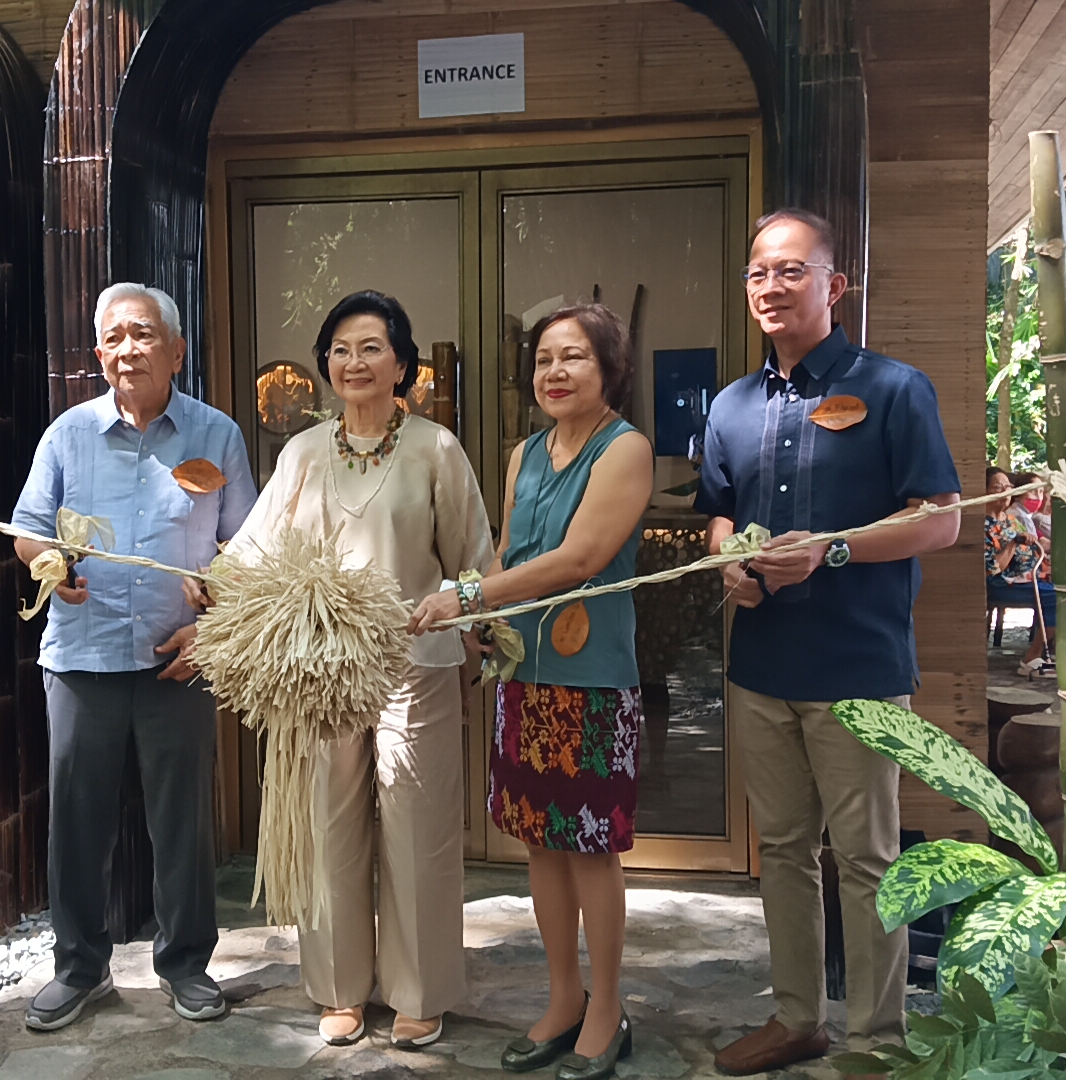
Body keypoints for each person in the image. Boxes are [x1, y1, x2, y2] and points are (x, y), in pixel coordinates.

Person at [696, 209, 962, 1078]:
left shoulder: (894, 389)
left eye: (791, 271)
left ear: (834, 285)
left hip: (857, 667)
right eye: (758, 274)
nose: (771, 287)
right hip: (762, 664)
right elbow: (720, 513)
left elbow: (942, 519)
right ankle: (797, 1018)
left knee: (867, 859)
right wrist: (729, 562)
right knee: (782, 851)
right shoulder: (731, 405)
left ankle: (875, 1043)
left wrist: (834, 549)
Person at [219, 291, 496, 1050]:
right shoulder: (303, 453)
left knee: (416, 827)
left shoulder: (437, 448)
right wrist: (209, 591)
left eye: (371, 347)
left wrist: (481, 628)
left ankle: (417, 991)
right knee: (329, 823)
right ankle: (340, 987)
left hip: (416, 659)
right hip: (321, 666)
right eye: (340, 348)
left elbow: (472, 557)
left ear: (402, 363)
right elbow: (255, 546)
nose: (354, 362)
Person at [410, 302, 653, 1080]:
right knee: (540, 846)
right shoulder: (525, 454)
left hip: (593, 681)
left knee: (591, 851)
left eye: (574, 356)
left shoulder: (627, 449)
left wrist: (469, 596)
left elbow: (581, 557)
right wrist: (485, 617)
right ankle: (563, 998)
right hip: (527, 674)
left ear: (609, 368)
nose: (555, 371)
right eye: (545, 358)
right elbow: (517, 550)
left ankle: (609, 1009)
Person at [10, 283, 255, 1031]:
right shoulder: (67, 435)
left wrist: (213, 620)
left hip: (178, 661)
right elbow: (24, 528)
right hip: (81, 661)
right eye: (113, 338)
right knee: (78, 823)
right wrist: (51, 562)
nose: (127, 350)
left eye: (143, 335)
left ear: (176, 350)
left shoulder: (216, 436)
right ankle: (80, 968)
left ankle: (185, 965)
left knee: (180, 823)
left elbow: (247, 548)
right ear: (98, 353)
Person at [984, 468, 1056, 677]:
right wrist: (1013, 544)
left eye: (1008, 487)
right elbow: (993, 569)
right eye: (998, 488)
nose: (1005, 492)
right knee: (1056, 598)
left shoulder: (1011, 520)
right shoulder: (984, 525)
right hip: (1002, 584)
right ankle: (1031, 657)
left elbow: (1037, 545)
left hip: (1028, 578)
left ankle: (1047, 653)